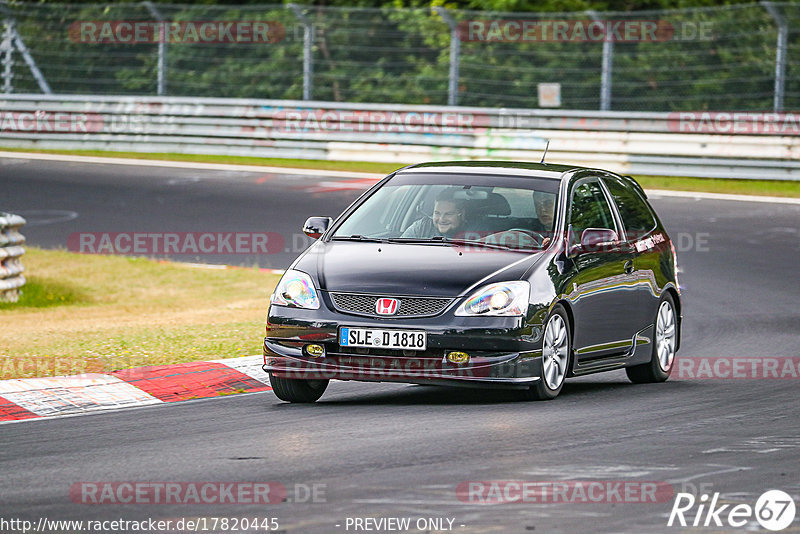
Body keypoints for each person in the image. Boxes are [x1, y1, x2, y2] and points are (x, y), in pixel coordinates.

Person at [402, 189, 468, 238]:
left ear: (462, 214)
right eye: (437, 213)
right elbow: (400, 248)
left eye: (448, 214)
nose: (442, 219)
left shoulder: (476, 228)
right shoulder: (422, 228)